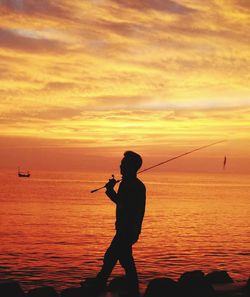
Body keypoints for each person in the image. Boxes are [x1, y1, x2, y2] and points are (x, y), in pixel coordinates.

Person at [88, 151, 146, 297]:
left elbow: (123, 204)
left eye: (124, 163)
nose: (121, 165)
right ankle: (132, 290)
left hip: (126, 230)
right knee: (123, 260)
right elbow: (122, 203)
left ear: (131, 166)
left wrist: (109, 190)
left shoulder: (131, 184)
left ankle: (98, 286)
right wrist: (111, 190)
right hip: (128, 230)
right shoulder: (132, 184)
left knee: (111, 257)